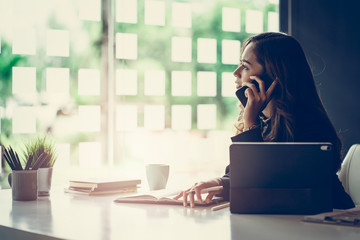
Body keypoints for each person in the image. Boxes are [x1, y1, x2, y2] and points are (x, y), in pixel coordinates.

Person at [173, 32, 355, 209]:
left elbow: (263, 183)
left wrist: (250, 123)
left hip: (328, 225)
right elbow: (246, 174)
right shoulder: (265, 119)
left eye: (245, 66)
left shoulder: (309, 126)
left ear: (273, 76)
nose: (236, 73)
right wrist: (215, 182)